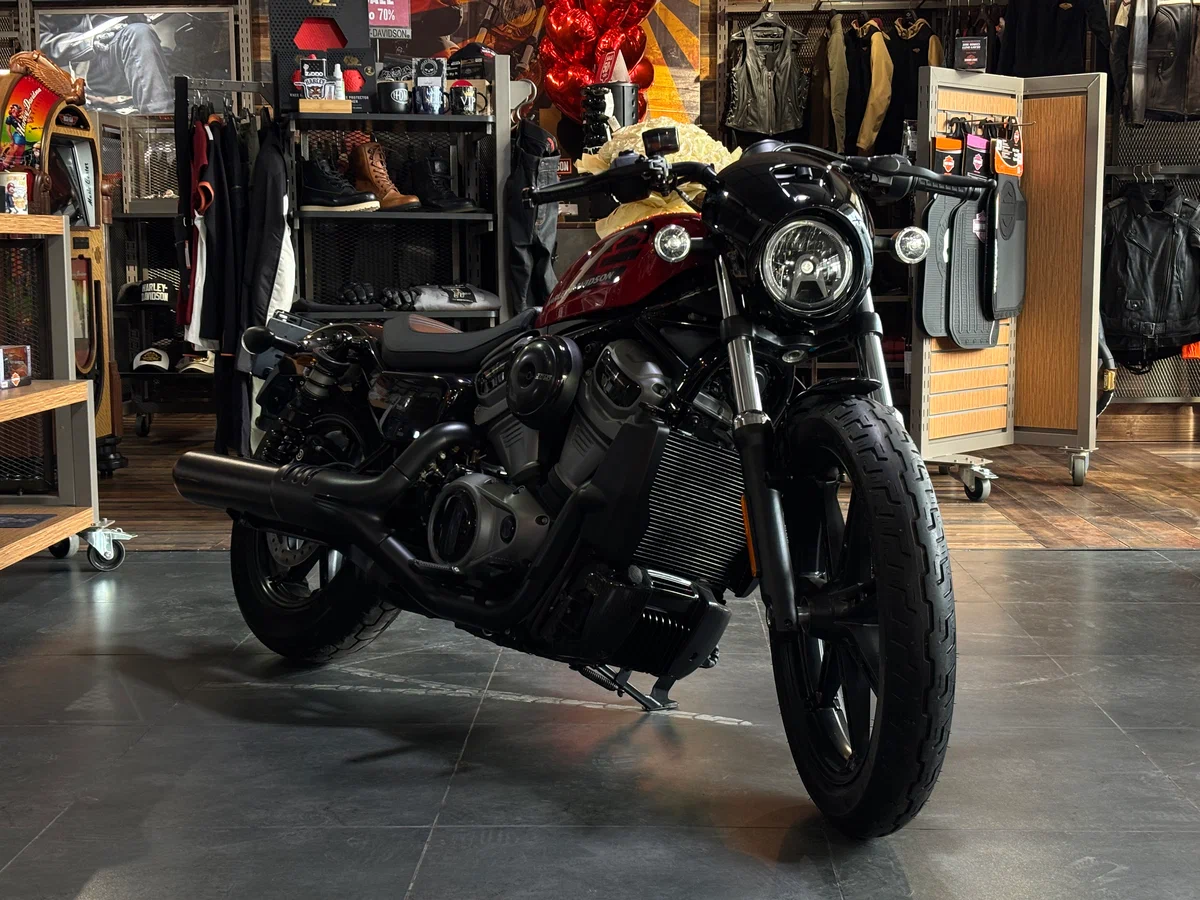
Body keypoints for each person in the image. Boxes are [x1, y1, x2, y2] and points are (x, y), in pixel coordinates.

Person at [40, 15, 173, 114]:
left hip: (136, 45)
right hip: (92, 59)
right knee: (139, 34)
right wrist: (86, 43)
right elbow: (39, 39)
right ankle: (160, 127)